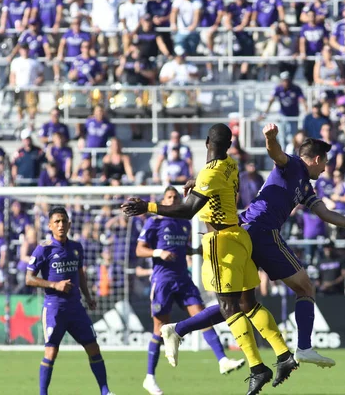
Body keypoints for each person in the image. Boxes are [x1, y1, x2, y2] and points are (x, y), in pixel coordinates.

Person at [150, 124, 345, 370]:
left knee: (237, 303)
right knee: (305, 286)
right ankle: (303, 348)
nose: (325, 169)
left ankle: (177, 329)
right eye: (324, 163)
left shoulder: (304, 186)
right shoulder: (292, 165)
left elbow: (325, 213)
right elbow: (276, 153)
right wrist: (270, 138)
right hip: (261, 231)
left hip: (246, 232)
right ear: (316, 159)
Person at [123, 124, 299, 395]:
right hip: (240, 237)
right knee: (249, 302)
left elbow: (188, 210)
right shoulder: (230, 164)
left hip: (221, 242)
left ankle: (257, 368)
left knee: (229, 307)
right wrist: (197, 184)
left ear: (206, 142)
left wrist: (147, 207)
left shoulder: (210, 172)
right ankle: (284, 354)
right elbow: (218, 189)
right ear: (228, 146)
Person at [137, 186, 245, 394]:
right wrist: (159, 252)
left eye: (176, 197)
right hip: (163, 280)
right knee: (159, 327)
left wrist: (195, 250)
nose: (172, 200)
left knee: (202, 316)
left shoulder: (183, 223)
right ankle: (149, 377)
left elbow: (181, 248)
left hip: (183, 279)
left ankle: (222, 360)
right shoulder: (154, 222)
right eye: (169, 197)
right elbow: (139, 249)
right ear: (163, 200)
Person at [26, 207, 115, 395]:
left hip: (76, 308)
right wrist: (54, 285)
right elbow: (29, 278)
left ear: (69, 224)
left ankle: (105, 391)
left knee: (93, 348)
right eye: (56, 222)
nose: (60, 225)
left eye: (63, 221)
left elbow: (80, 274)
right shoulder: (44, 248)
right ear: (50, 225)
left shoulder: (76, 247)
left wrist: (88, 297)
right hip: (54, 308)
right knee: (51, 353)